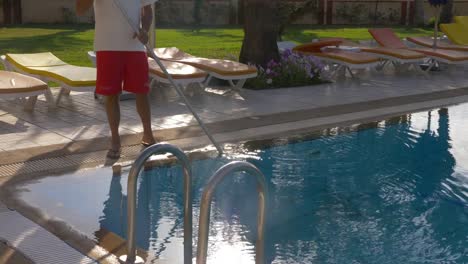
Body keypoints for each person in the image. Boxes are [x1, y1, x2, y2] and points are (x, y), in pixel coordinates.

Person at [76, 0, 157, 159]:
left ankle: (148, 134)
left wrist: (145, 30)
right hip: (107, 45)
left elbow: (147, 11)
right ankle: (115, 139)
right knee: (111, 94)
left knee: (142, 91)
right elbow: (80, 10)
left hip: (135, 46)